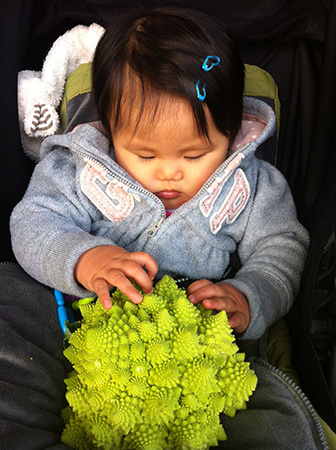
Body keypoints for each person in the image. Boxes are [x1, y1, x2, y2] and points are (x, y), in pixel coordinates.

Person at [10, 7, 309, 340]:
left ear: (232, 131)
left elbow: (282, 246)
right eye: (144, 154)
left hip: (201, 343)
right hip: (81, 331)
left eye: (194, 154)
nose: (168, 173)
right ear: (111, 131)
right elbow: (32, 222)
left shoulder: (252, 185)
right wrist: (84, 258)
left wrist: (250, 295)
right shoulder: (80, 168)